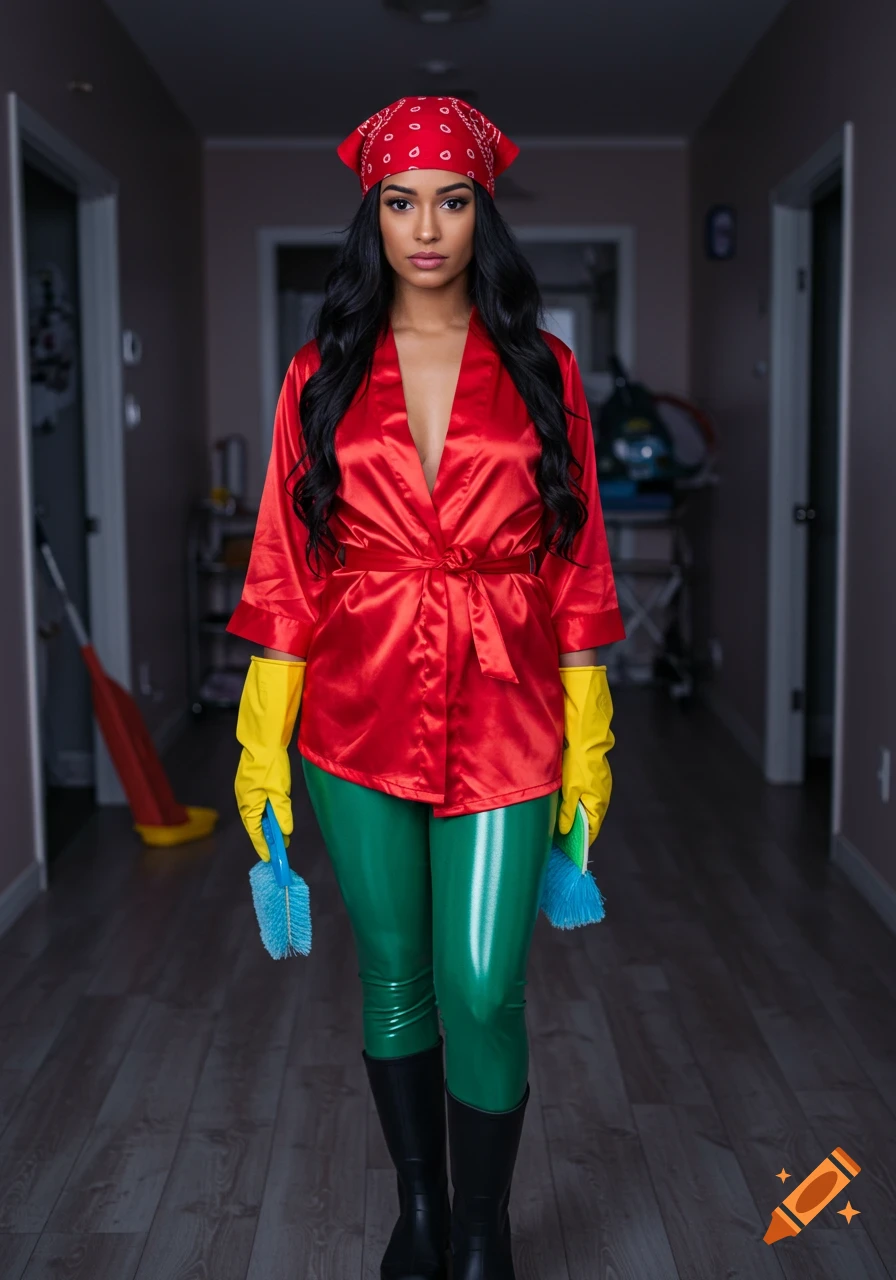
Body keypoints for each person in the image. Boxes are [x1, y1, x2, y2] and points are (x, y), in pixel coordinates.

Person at [228, 96, 625, 1280]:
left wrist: (589, 736)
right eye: (400, 203)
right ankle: (420, 1212)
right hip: (353, 710)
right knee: (393, 973)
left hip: (508, 707)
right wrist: (261, 745)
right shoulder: (320, 370)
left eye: (451, 201)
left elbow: (580, 558)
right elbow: (283, 569)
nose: (426, 228)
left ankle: (482, 1223)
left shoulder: (542, 365)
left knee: (484, 981)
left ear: (480, 212)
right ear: (373, 216)